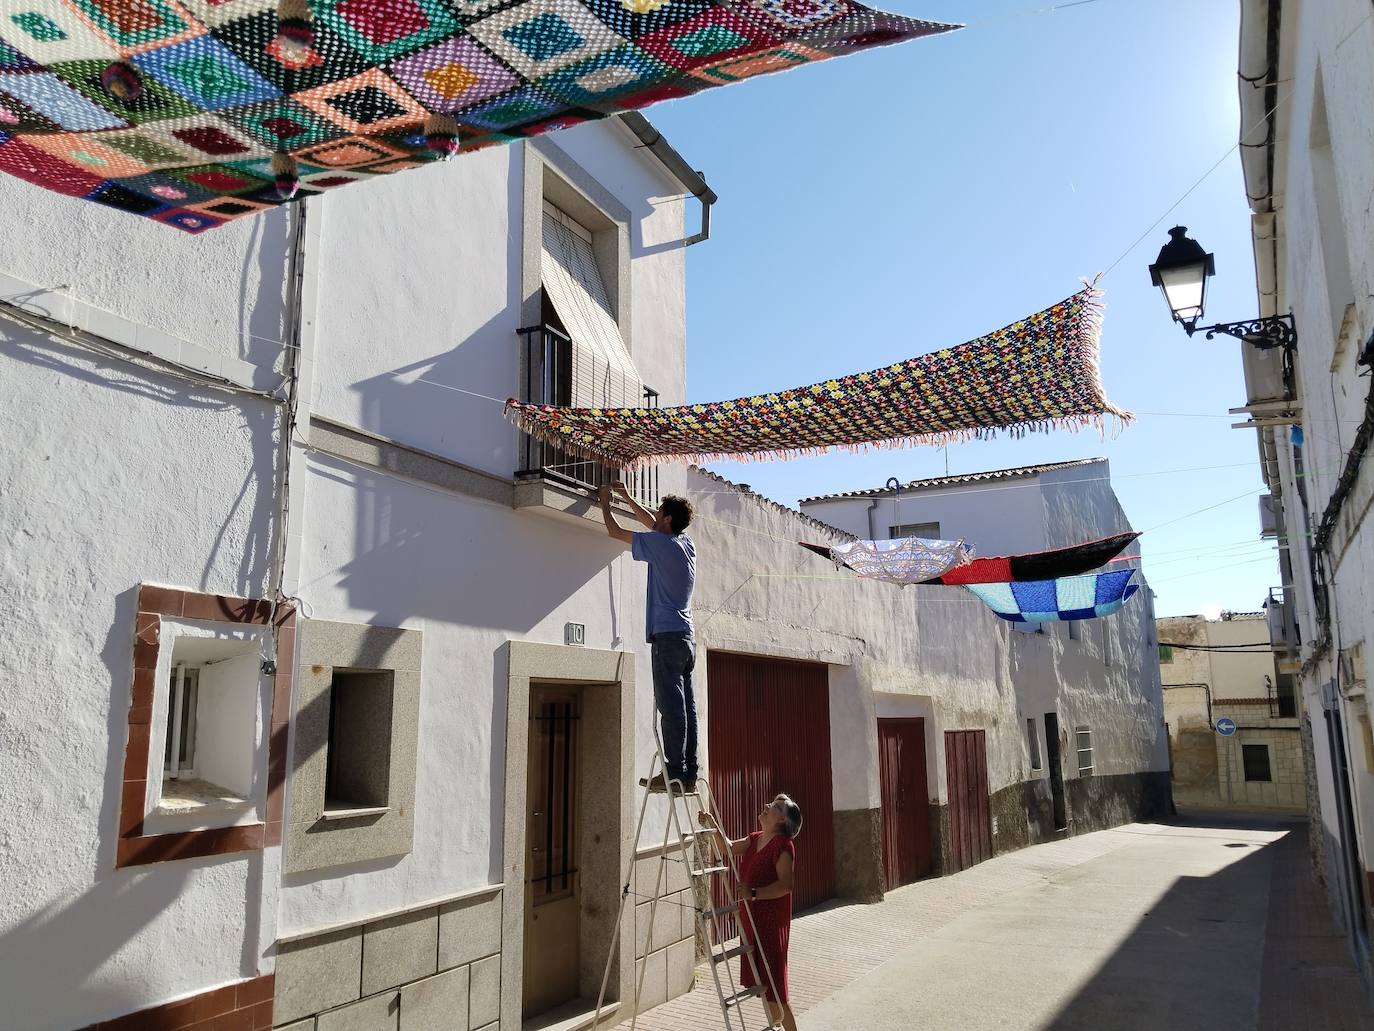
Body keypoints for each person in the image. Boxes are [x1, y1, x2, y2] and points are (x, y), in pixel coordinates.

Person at [598, 480, 697, 792]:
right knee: (687, 708)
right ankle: (689, 771)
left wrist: (605, 503)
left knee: (671, 707)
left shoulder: (661, 544)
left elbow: (616, 533)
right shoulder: (685, 544)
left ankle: (675, 774)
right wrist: (627, 497)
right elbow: (653, 525)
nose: (654, 516)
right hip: (686, 638)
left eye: (659, 513)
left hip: (667, 637)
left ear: (666, 519)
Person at [699, 795, 803, 1031]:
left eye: (775, 807)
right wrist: (712, 824)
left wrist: (753, 892)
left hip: (770, 924)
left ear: (783, 821)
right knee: (766, 989)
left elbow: (786, 885)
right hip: (752, 920)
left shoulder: (783, 845)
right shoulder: (756, 839)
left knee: (776, 991)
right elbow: (727, 847)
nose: (767, 806)